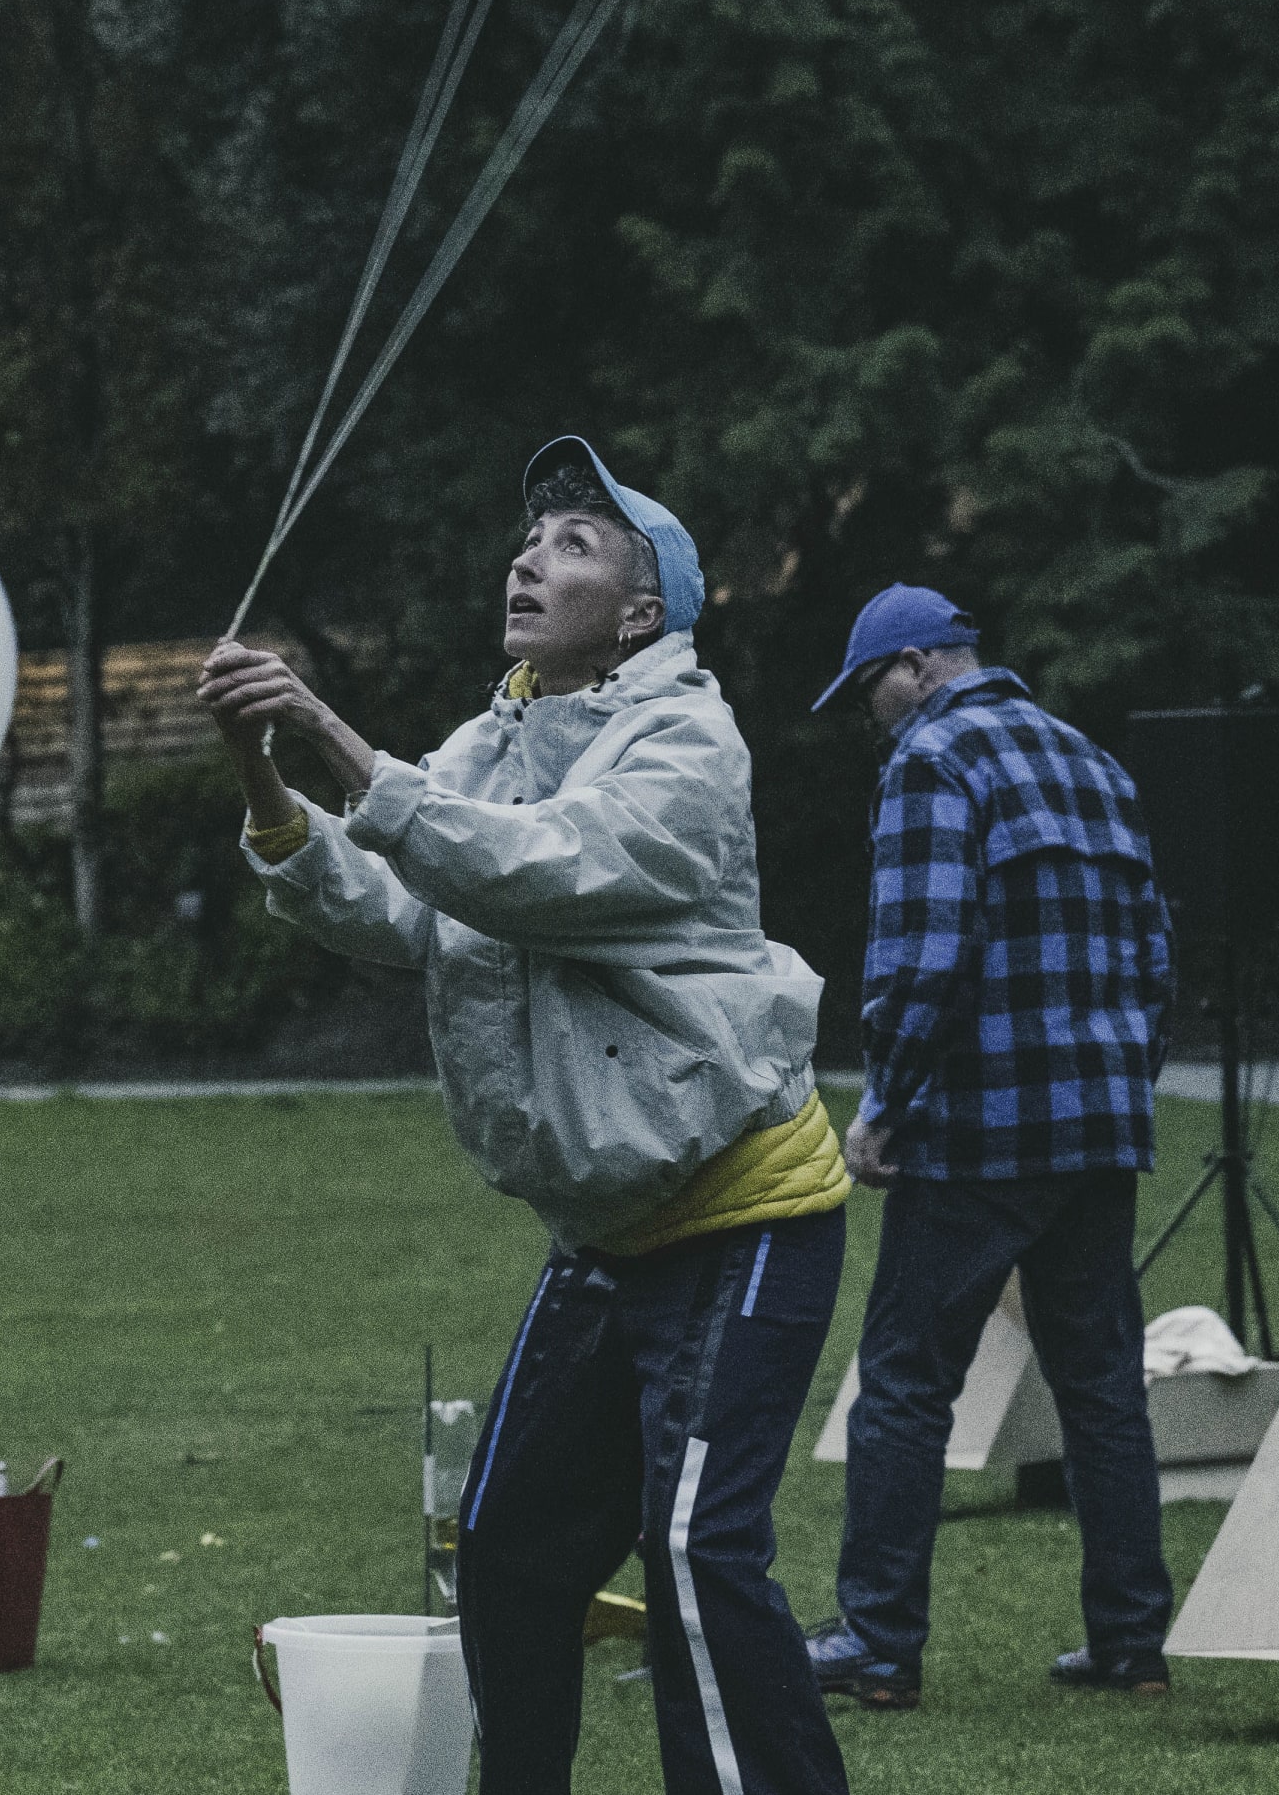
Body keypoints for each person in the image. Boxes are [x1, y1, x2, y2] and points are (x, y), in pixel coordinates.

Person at [199, 439, 851, 1795]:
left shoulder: (686, 740)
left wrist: (333, 734)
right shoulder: (490, 738)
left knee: (694, 1553)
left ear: (640, 610)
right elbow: (402, 906)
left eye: (574, 541)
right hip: (607, 1231)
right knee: (505, 1547)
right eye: (529, 534)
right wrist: (266, 778)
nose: (528, 555)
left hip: (745, 1214)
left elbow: (534, 869)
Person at [798, 585, 1178, 1708]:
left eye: (871, 690)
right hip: (1099, 1131)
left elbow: (922, 959)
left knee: (908, 1386)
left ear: (913, 666)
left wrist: (885, 1108)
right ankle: (1130, 1647)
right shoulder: (1095, 765)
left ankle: (875, 1645)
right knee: (1103, 1388)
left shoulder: (932, 761)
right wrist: (1121, 1089)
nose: (874, 715)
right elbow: (1155, 960)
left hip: (978, 1134)